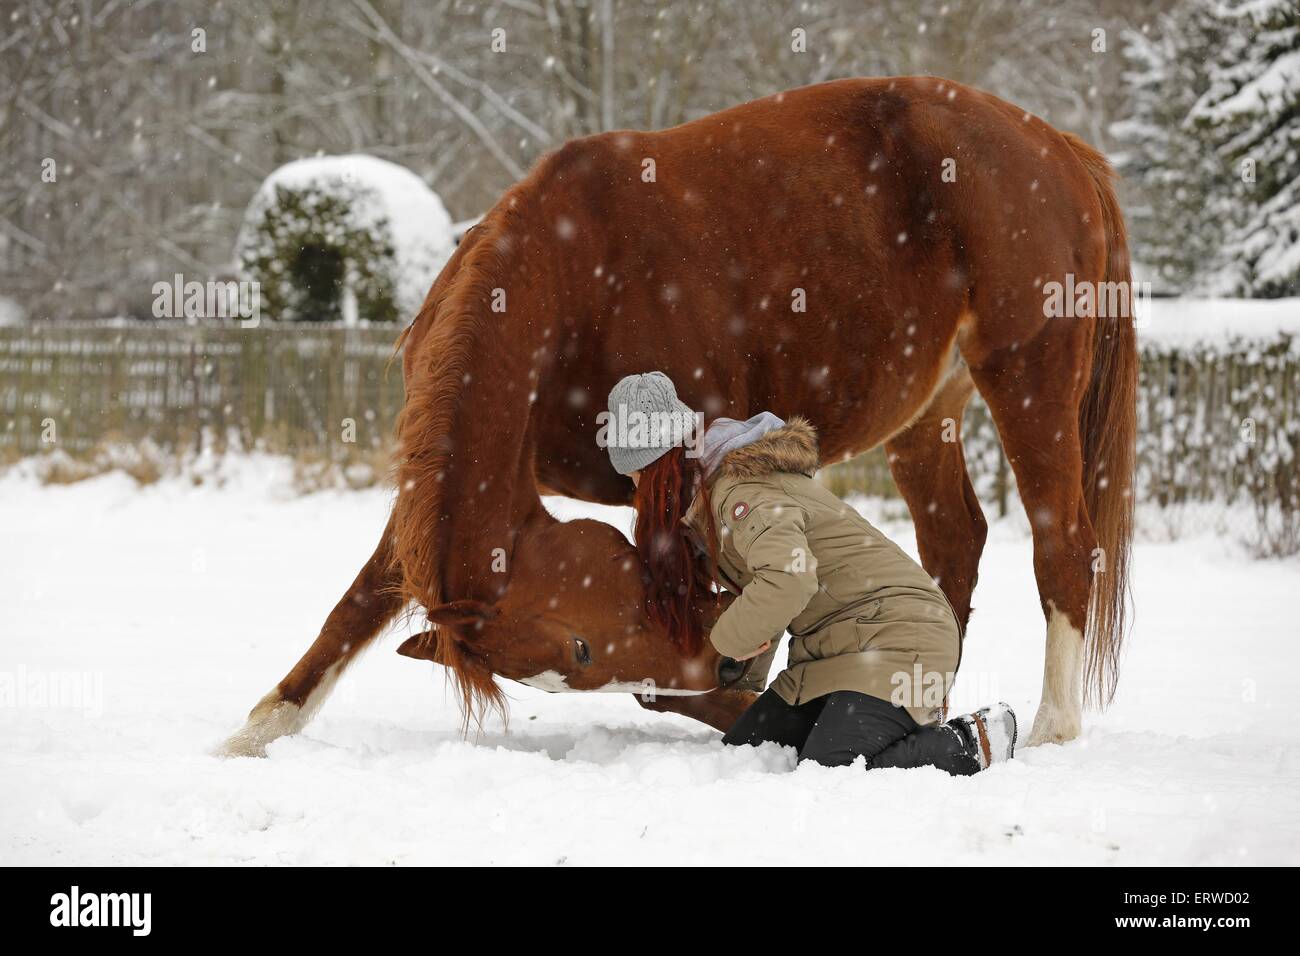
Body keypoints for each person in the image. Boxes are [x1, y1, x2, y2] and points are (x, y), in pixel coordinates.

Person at [604, 371, 1016, 774]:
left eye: (637, 476)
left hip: (899, 635)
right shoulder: (710, 499)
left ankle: (968, 742)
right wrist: (745, 678)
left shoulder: (739, 492)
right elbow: (764, 593)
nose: (636, 489)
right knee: (748, 756)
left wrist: (724, 642)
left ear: (660, 466)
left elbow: (788, 579)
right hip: (829, 655)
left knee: (835, 769)